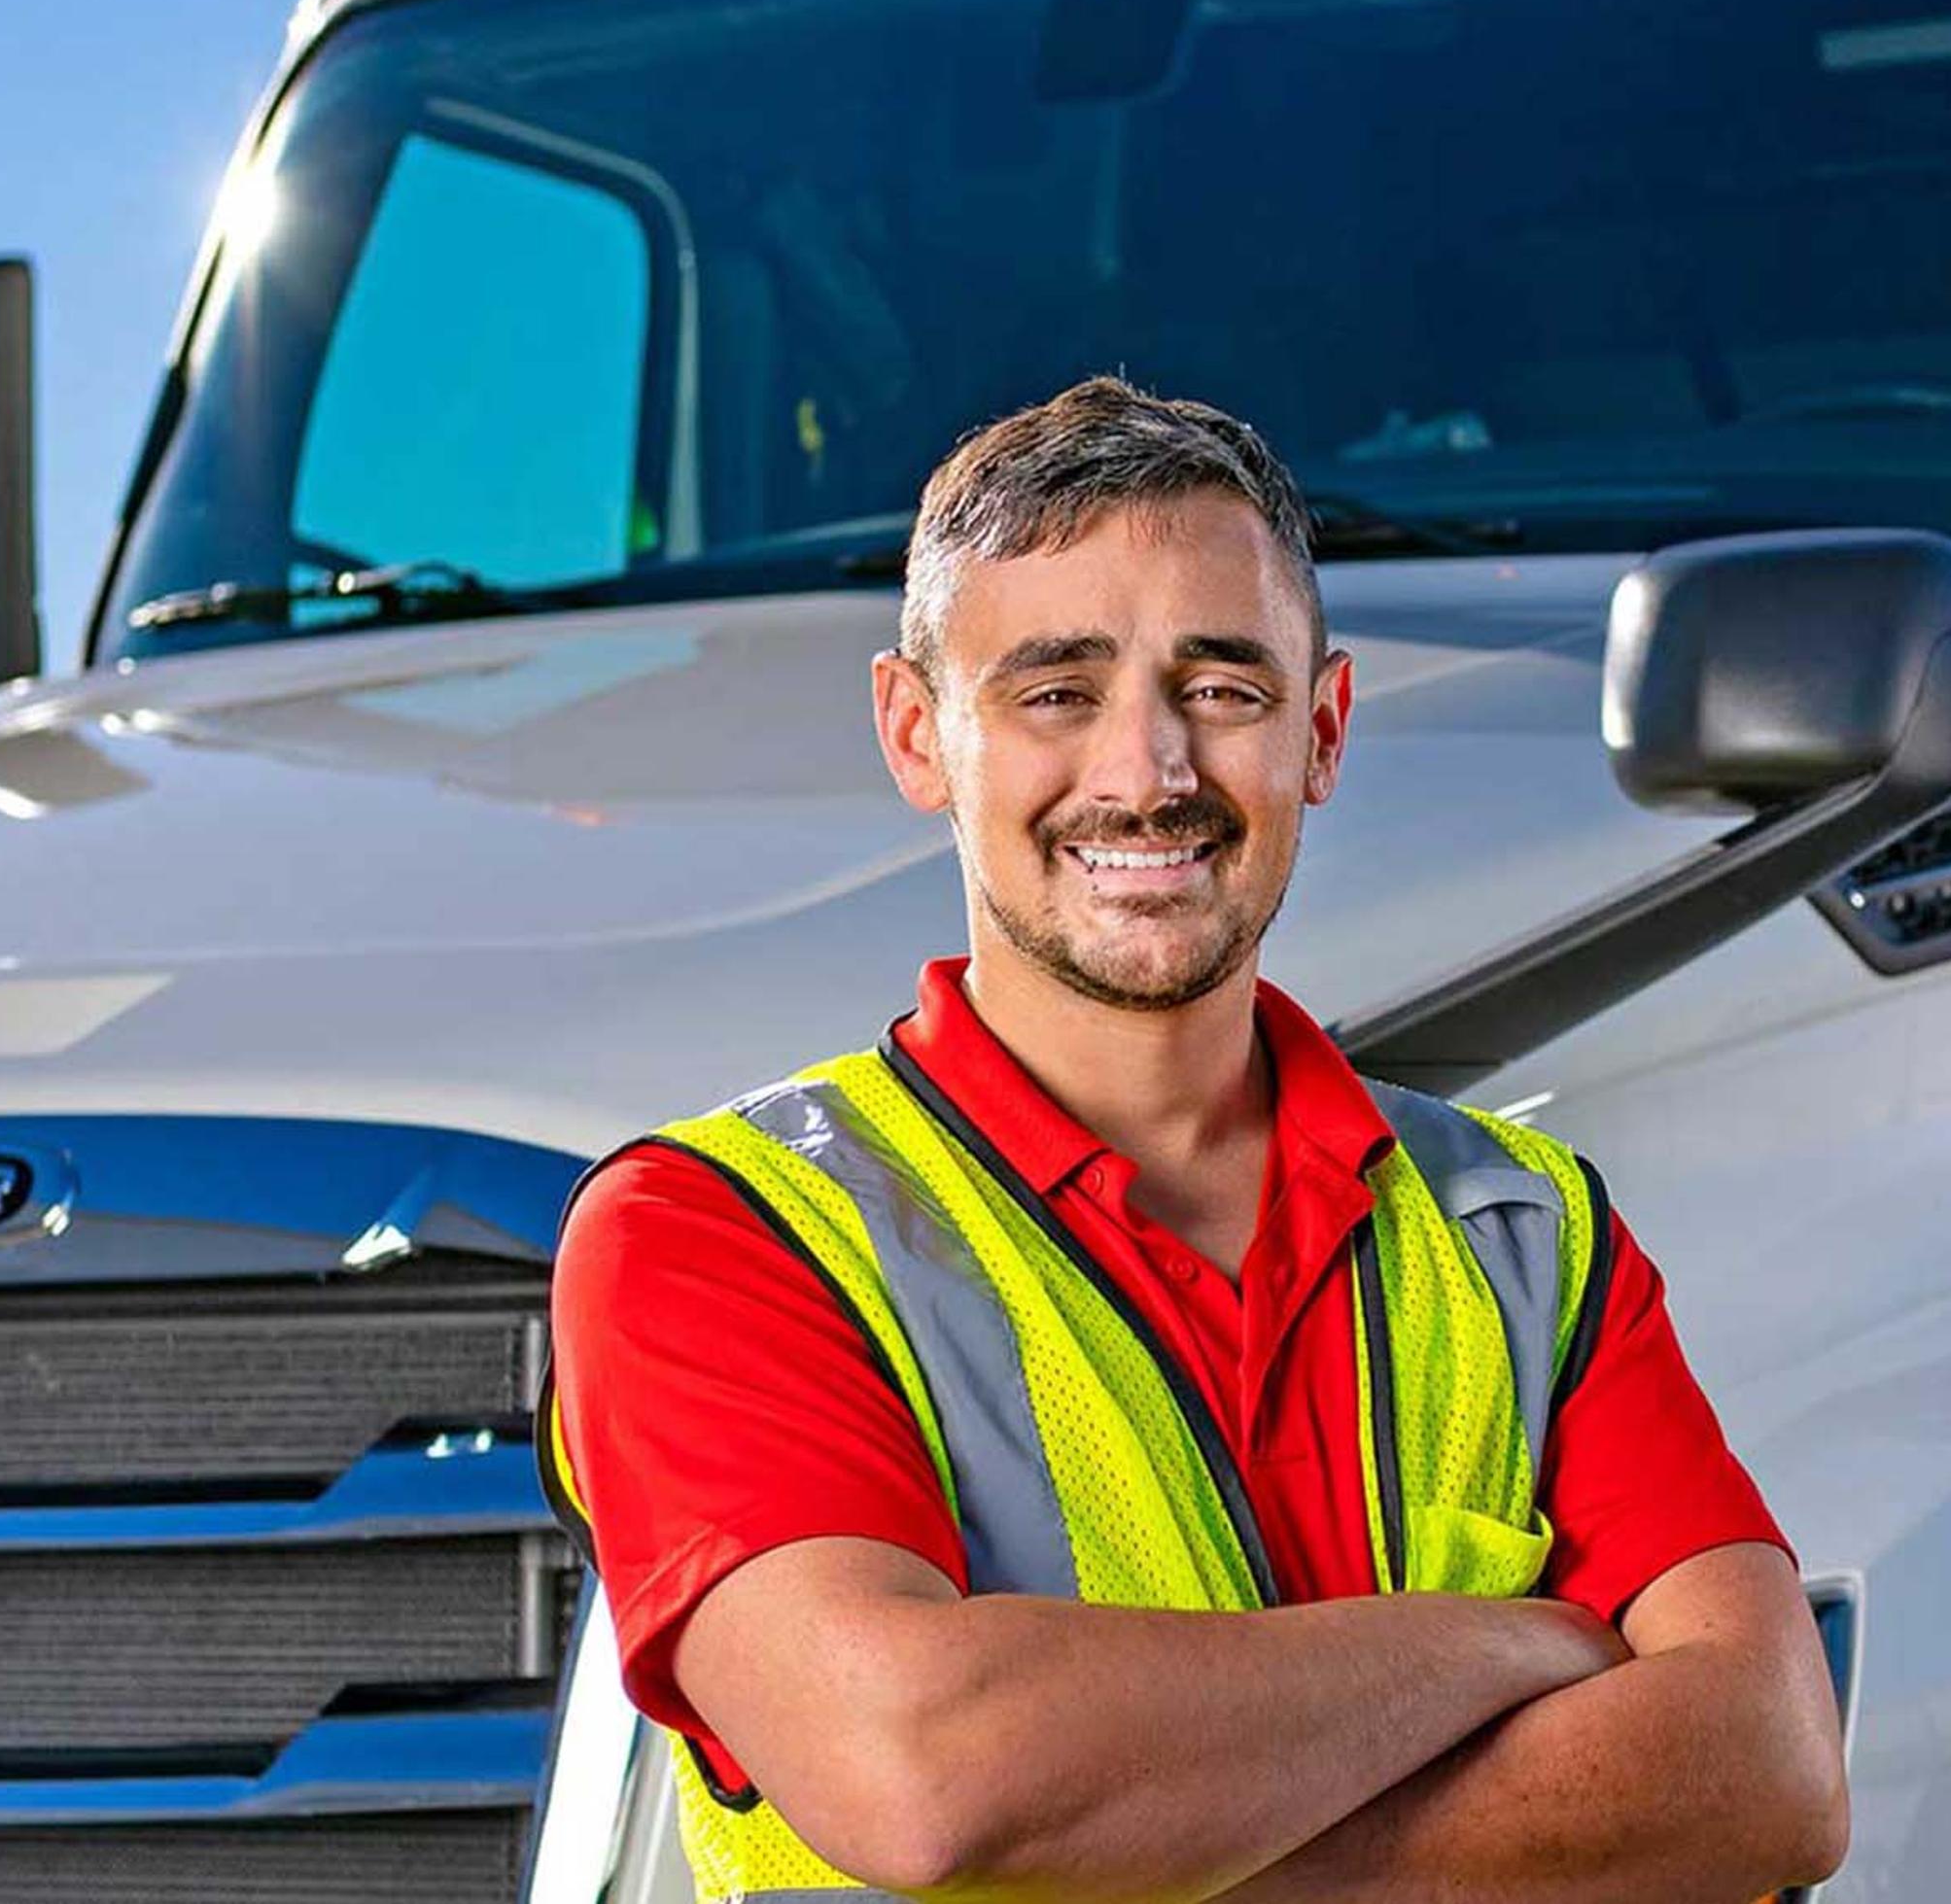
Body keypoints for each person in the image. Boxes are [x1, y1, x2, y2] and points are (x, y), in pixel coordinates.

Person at [542, 377, 1849, 1901]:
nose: (1148, 772)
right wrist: (1514, 1642)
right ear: (918, 734)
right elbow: (926, 1776)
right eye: (1055, 691)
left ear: (1324, 727)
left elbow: (1768, 1765)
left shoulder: (1526, 1233)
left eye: (1222, 687)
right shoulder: (719, 1234)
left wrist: (1137, 1841)